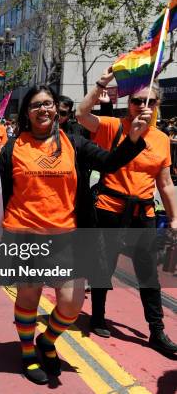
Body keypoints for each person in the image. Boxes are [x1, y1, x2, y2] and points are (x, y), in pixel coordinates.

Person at [0, 85, 147, 385]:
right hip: (25, 234)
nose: (43, 110)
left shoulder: (75, 144)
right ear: (26, 113)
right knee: (29, 297)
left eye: (49, 104)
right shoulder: (13, 148)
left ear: (56, 110)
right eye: (36, 105)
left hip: (68, 237)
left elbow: (109, 163)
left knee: (71, 304)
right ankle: (28, 350)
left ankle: (47, 340)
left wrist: (133, 138)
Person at [76, 68, 177, 357]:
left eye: (150, 102)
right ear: (128, 102)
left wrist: (174, 218)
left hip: (142, 213)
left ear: (158, 105)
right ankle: (97, 315)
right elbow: (82, 115)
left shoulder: (161, 140)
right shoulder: (112, 127)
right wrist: (101, 84)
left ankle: (156, 331)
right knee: (103, 265)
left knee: (148, 273)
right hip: (109, 209)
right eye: (137, 101)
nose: (143, 107)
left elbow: (166, 183)